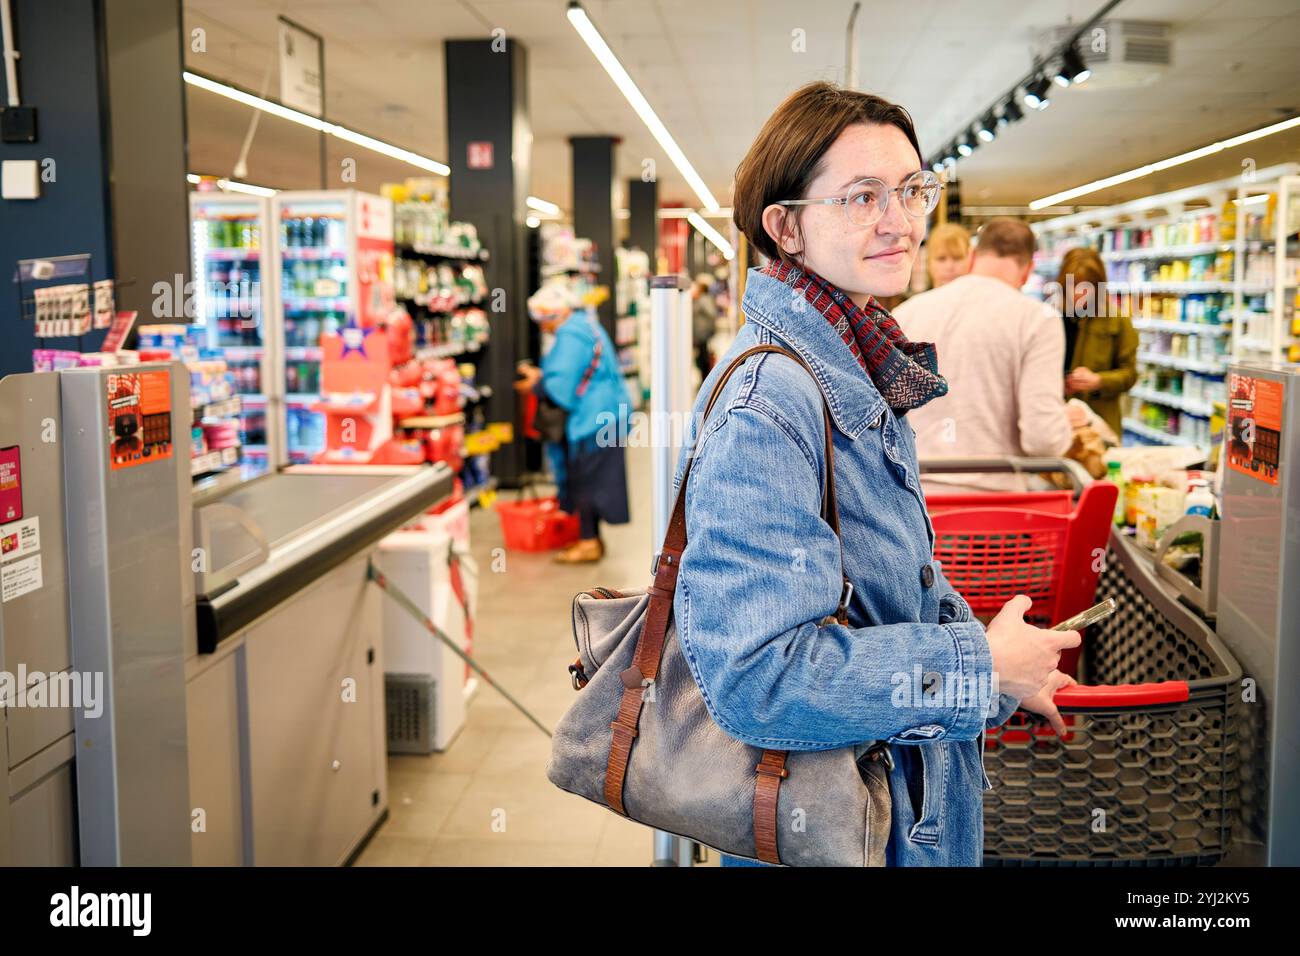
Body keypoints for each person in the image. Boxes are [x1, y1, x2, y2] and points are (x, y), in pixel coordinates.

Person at [676, 82, 1079, 867]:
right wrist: (978, 668)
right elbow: (760, 679)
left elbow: (890, 596)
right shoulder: (773, 402)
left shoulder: (854, 359)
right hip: (839, 833)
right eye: (861, 196)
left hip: (889, 810)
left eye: (910, 188)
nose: (900, 220)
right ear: (786, 226)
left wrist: (997, 676)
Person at [893, 218, 1076, 494]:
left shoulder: (906, 312)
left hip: (912, 497)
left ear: (974, 257)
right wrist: (1066, 423)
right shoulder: (1037, 319)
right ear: (1027, 271)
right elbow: (1043, 440)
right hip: (994, 505)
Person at [516, 284, 630, 563]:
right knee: (597, 479)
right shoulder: (585, 327)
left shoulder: (569, 336)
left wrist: (536, 384)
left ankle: (589, 542)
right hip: (610, 411)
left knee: (585, 481)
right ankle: (592, 539)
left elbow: (561, 387)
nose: (542, 328)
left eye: (542, 320)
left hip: (592, 419)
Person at [1058, 247, 1138, 437]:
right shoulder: (1049, 317)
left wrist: (1098, 381)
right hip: (1057, 421)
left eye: (1086, 287)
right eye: (1073, 286)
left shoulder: (1116, 320)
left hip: (1099, 425)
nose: (1079, 294)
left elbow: (1130, 374)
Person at [924, 222, 971, 288]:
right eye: (941, 259)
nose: (949, 266)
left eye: (957, 258)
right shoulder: (918, 298)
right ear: (928, 263)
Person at [690, 273, 717, 384]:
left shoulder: (704, 299)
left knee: (703, 358)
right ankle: (704, 379)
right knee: (702, 358)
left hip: (703, 334)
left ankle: (705, 380)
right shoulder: (703, 299)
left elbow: (711, 313)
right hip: (701, 334)